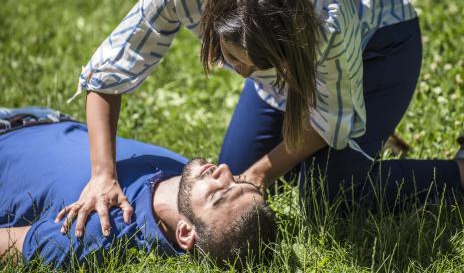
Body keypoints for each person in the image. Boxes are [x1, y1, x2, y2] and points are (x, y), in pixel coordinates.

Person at [67, 0, 464, 235]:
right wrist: (103, 176)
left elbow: (329, 120)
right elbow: (108, 72)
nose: (241, 73)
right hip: (306, 62)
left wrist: (261, 174)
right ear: (215, 13)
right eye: (234, 58)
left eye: (254, 66)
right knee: (236, 173)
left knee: (328, 197)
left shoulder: (328, 16)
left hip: (382, 46)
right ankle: (361, 142)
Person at [0, 108, 277, 269]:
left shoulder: (100, 233)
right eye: (240, 183)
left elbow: (10, 245)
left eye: (219, 192)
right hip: (40, 117)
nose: (226, 171)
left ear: (184, 232)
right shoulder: (184, 176)